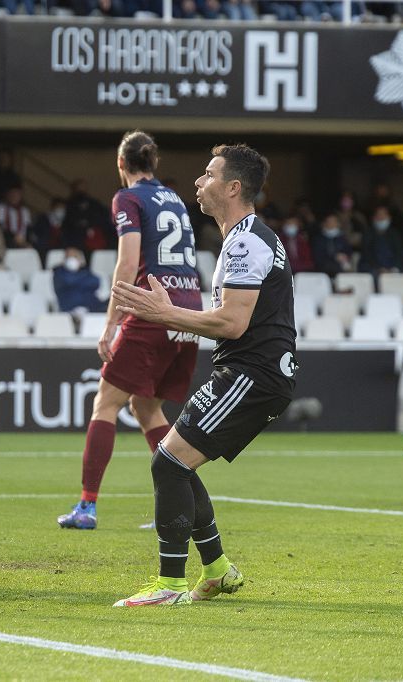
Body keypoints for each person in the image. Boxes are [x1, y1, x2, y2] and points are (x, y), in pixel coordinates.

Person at [109, 143, 296, 606]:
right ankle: (217, 569)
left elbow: (232, 323)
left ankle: (170, 585)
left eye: (208, 174)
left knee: (168, 463)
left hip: (253, 374)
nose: (198, 181)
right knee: (178, 462)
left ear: (233, 188)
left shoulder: (248, 241)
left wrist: (165, 313)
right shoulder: (244, 238)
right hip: (250, 371)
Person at [57, 131, 202, 532]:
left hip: (153, 307)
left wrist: (110, 323)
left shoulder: (128, 198)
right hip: (188, 311)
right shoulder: (174, 198)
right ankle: (181, 505)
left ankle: (86, 507)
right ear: (152, 164)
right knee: (145, 407)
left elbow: (127, 263)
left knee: (105, 403)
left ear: (121, 165)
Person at [52, 247, 104, 316]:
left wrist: (77, 281)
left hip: (92, 307)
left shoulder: (85, 271)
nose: (72, 259)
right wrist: (83, 281)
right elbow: (68, 281)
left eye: (75, 256)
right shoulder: (59, 272)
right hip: (70, 308)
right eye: (69, 257)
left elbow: (96, 282)